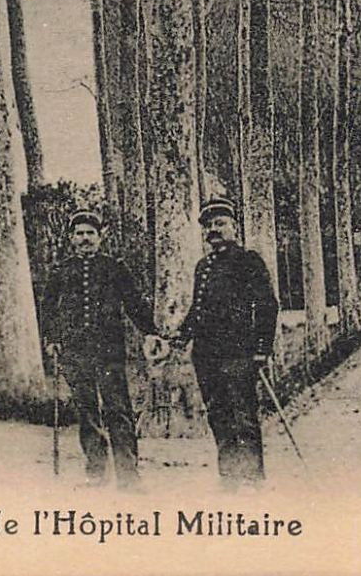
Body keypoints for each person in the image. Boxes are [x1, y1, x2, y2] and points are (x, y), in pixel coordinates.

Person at [39, 208, 158, 487]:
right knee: (87, 412)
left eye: (90, 233)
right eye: (79, 233)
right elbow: (48, 309)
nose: (85, 238)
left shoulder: (114, 268)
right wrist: (52, 339)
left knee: (118, 411)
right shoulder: (61, 271)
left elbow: (135, 303)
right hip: (75, 353)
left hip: (109, 353)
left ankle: (129, 476)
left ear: (100, 237)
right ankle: (96, 473)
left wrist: (150, 331)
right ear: (71, 238)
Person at [169, 195, 280, 488]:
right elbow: (198, 308)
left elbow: (267, 305)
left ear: (234, 227)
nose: (213, 230)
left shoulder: (248, 261)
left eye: (220, 223)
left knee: (243, 414)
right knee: (218, 415)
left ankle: (253, 478)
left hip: (238, 352)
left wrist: (261, 349)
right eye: (208, 226)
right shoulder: (202, 267)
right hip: (206, 355)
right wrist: (183, 335)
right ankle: (229, 476)